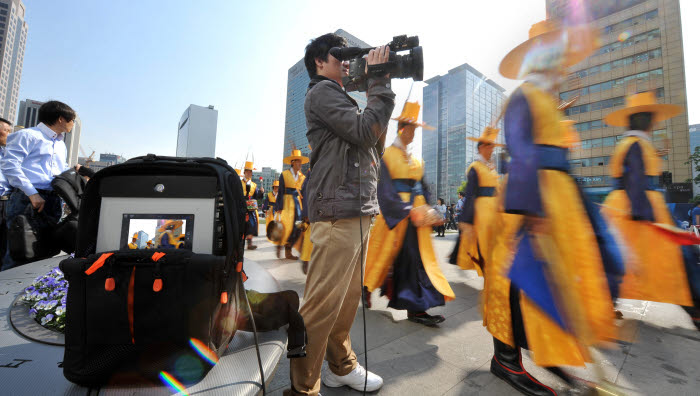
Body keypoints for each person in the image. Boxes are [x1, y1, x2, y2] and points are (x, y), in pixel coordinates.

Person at [487, 20, 616, 394]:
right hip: (531, 197)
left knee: (553, 279)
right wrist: (533, 209)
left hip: (558, 200)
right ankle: (505, 360)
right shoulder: (524, 96)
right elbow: (521, 150)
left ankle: (546, 350)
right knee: (515, 274)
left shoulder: (547, 99)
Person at [286, 32, 394, 396]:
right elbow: (365, 131)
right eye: (339, 56)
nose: (346, 62)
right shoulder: (321, 92)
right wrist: (378, 83)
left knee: (346, 303)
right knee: (320, 307)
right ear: (319, 62)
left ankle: (340, 366)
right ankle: (303, 387)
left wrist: (374, 88)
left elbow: (374, 142)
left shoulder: (341, 97)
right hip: (337, 212)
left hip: (356, 208)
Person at [601, 91, 698, 327]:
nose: (653, 122)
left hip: (632, 205)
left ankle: (606, 301)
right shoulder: (635, 144)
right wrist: (643, 215)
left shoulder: (634, 143)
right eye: (650, 117)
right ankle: (694, 306)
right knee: (674, 256)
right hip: (637, 206)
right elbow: (634, 178)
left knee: (621, 258)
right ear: (644, 119)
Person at [364, 101, 455, 326]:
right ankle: (366, 287)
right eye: (411, 128)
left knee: (417, 261)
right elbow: (384, 191)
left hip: (418, 218)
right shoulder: (387, 156)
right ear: (401, 128)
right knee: (384, 259)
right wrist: (407, 210)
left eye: (416, 129)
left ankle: (416, 309)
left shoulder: (417, 160)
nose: (414, 133)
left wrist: (433, 210)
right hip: (397, 217)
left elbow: (425, 188)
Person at [1, 101, 76, 271]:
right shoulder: (27, 135)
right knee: (19, 250)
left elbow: (59, 170)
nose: (73, 124)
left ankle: (36, 294)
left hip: (52, 199)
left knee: (45, 249)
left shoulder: (60, 144)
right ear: (60, 119)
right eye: (72, 120)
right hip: (27, 199)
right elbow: (10, 165)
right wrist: (32, 193)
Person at [455, 127, 503, 275]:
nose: (492, 149)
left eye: (493, 146)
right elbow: (470, 194)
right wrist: (467, 220)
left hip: (496, 213)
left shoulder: (492, 169)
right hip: (483, 215)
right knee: (486, 248)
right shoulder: (475, 167)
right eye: (489, 145)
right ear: (481, 147)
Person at [274, 149, 308, 260]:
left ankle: (288, 250)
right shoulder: (284, 174)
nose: (300, 164)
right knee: (286, 226)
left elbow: (304, 193)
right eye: (298, 161)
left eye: (301, 162)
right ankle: (280, 244)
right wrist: (279, 207)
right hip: (287, 204)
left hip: (298, 205)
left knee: (298, 227)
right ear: (292, 162)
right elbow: (281, 192)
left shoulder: (303, 177)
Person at [240, 160, 264, 250]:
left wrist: (261, 192)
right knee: (241, 224)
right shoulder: (239, 183)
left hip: (250, 207)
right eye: (248, 171)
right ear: (244, 172)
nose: (249, 173)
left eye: (251, 171)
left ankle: (249, 244)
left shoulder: (254, 185)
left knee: (251, 224)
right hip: (241, 205)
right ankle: (240, 243)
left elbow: (257, 196)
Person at [0, 117, 13, 269]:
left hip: (7, 202)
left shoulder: (8, 153)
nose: (9, 135)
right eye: (7, 131)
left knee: (4, 245)